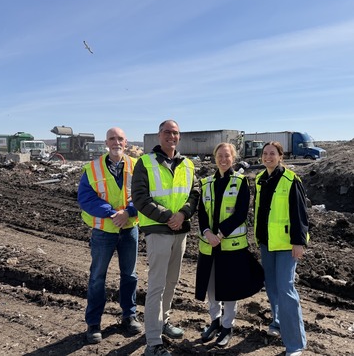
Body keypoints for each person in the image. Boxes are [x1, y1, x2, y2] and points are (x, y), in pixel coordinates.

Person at [132, 120, 199, 356]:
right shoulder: (145, 162)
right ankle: (152, 341)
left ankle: (163, 322)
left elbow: (194, 194)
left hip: (180, 231)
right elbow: (139, 198)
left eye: (175, 132)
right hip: (158, 231)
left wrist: (183, 215)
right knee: (157, 286)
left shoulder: (188, 164)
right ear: (159, 136)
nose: (172, 136)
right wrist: (169, 216)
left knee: (171, 282)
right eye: (167, 132)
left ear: (179, 137)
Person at [195, 142, 264, 348]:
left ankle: (227, 326)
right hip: (209, 244)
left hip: (230, 245)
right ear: (214, 157)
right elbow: (201, 213)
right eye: (220, 156)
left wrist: (220, 233)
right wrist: (207, 232)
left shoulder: (241, 181)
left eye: (227, 156)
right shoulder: (206, 182)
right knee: (212, 286)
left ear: (233, 158)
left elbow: (241, 213)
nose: (223, 160)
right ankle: (214, 322)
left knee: (230, 288)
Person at [78, 127, 142, 344]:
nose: (116, 142)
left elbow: (144, 194)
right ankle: (94, 323)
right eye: (112, 138)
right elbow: (86, 197)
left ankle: (129, 316)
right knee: (97, 277)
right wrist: (113, 213)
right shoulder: (92, 168)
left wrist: (129, 212)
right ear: (106, 142)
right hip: (104, 231)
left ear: (126, 142)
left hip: (129, 228)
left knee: (130, 275)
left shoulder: (137, 165)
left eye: (120, 139)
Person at [254, 141, 309, 356]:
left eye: (272, 154)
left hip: (287, 244)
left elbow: (300, 213)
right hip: (267, 242)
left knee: (286, 289)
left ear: (280, 156)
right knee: (272, 285)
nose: (268, 157)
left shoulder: (290, 180)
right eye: (265, 153)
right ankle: (277, 322)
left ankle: (295, 343)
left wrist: (299, 242)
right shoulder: (260, 179)